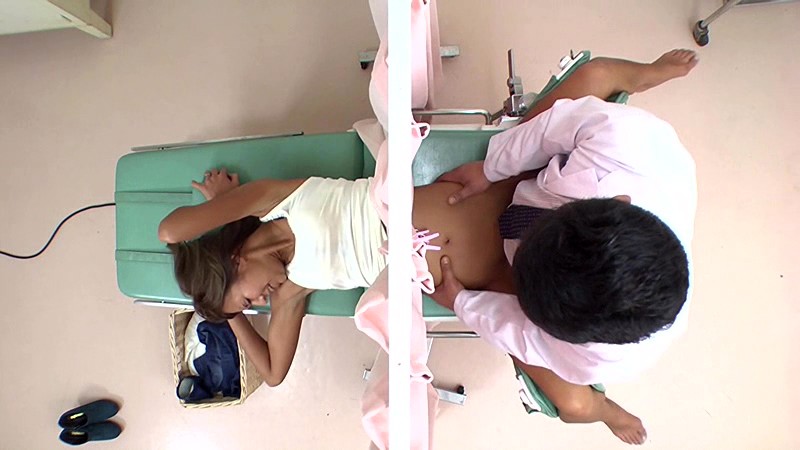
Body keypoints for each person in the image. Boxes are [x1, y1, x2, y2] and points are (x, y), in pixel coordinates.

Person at [430, 49, 699, 445]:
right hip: (559, 178)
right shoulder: (626, 144)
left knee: (575, 405)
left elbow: (526, 337)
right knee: (597, 74)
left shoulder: (611, 354)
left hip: (570, 303)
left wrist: (464, 304)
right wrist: (491, 167)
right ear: (615, 201)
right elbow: (551, 129)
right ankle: (643, 73)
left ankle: (606, 410)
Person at [158, 168, 528, 387]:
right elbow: (273, 373)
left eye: (246, 299)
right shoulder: (291, 290)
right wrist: (229, 313)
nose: (260, 302)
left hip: (491, 201)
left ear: (235, 261)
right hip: (494, 275)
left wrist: (222, 207)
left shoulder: (277, 201)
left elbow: (168, 232)